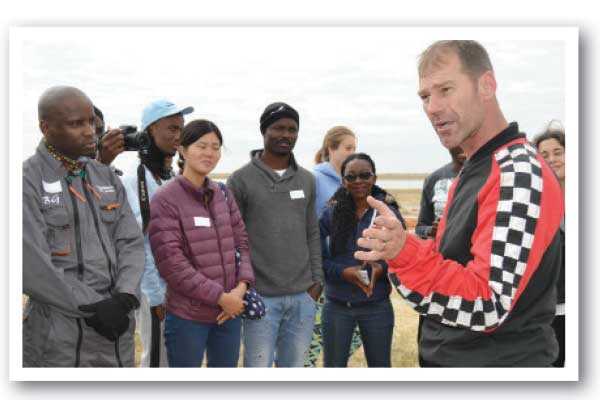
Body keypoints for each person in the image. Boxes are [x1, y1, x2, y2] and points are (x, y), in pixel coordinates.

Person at [355, 40, 564, 367]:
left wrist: (403, 255)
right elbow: (449, 259)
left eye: (446, 89)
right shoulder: (477, 166)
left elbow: (488, 305)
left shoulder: (516, 171)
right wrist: (404, 242)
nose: (432, 107)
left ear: (487, 85)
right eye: (425, 96)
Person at [23, 86, 145, 367]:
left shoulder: (106, 177)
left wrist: (125, 296)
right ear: (46, 127)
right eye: (76, 124)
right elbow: (31, 265)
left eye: (91, 122)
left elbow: (130, 242)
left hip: (117, 325)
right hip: (58, 332)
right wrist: (93, 307)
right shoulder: (25, 182)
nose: (90, 131)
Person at [148, 119, 255, 367]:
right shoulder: (165, 199)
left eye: (215, 147)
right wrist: (221, 297)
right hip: (189, 317)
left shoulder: (223, 194)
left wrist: (241, 288)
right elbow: (172, 264)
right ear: (182, 150)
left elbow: (242, 244)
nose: (209, 153)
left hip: (228, 314)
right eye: (201, 145)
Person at [227, 102, 324, 367]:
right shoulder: (240, 180)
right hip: (261, 297)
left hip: (304, 296)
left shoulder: (306, 180)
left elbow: (311, 231)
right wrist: (245, 286)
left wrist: (316, 283)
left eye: (292, 129)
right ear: (264, 131)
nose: (286, 135)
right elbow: (234, 240)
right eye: (278, 128)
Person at [120, 98, 193, 367]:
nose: (179, 136)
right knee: (155, 361)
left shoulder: (173, 179)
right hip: (155, 293)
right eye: (171, 129)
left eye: (181, 129)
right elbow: (141, 243)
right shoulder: (134, 180)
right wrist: (155, 296)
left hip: (182, 290)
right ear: (150, 130)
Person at [320, 153, 405, 367]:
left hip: (376, 305)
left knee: (380, 366)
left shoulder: (388, 214)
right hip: (337, 305)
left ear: (374, 178)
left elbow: (401, 255)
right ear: (343, 181)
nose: (358, 181)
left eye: (365, 175)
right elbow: (317, 259)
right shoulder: (330, 213)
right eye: (351, 176)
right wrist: (343, 273)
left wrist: (379, 268)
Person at [305, 126, 360, 367]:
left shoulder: (351, 181)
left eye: (355, 149)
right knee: (315, 332)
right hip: (322, 269)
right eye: (348, 148)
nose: (352, 153)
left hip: (348, 267)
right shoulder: (315, 179)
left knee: (355, 331)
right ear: (331, 149)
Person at [534, 127, 566, 367]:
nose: (552, 159)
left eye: (558, 152)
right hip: (547, 307)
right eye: (544, 155)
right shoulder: (535, 200)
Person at [415, 146, 466, 239]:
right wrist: (432, 230)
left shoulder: (494, 174)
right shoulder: (434, 179)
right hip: (442, 250)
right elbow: (420, 227)